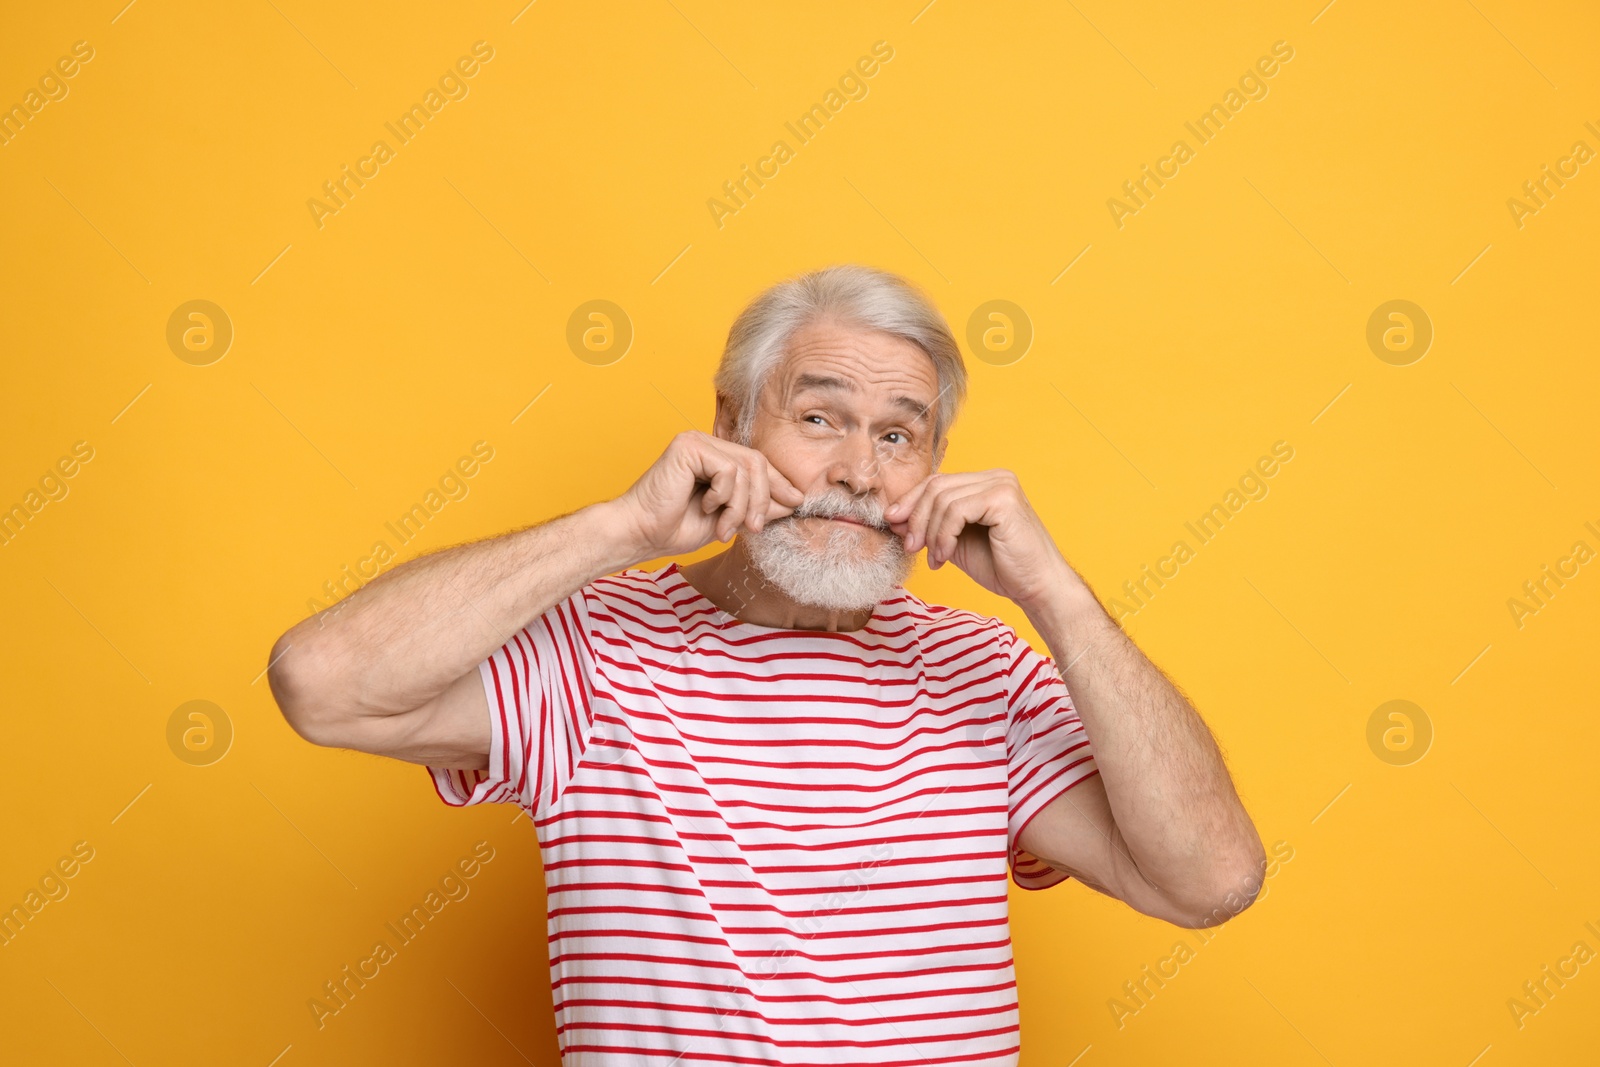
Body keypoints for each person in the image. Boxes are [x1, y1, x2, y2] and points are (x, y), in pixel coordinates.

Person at [267, 263, 1266, 1065]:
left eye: (897, 436)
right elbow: (322, 682)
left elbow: (1209, 880)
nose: (857, 473)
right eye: (818, 418)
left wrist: (1057, 596)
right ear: (731, 423)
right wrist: (621, 526)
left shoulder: (985, 669)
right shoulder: (589, 651)